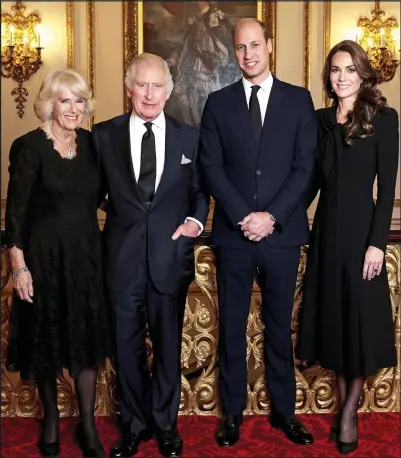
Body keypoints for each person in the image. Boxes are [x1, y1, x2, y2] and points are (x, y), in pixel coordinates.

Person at [199, 18, 317, 448]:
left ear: (269, 45)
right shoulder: (218, 102)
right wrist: (242, 216)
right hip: (234, 236)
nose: (248, 54)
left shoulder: (298, 100)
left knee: (278, 328)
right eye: (240, 47)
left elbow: (306, 169)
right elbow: (210, 167)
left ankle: (284, 413)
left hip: (281, 236)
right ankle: (231, 414)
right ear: (234, 52)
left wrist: (271, 217)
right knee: (230, 327)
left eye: (254, 45)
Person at [92, 53, 209, 458]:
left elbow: (199, 193)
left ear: (170, 90)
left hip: (168, 260)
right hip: (121, 262)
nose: (149, 94)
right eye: (141, 85)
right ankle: (134, 426)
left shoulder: (188, 138)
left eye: (157, 85)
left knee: (167, 350)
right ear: (129, 89)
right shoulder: (102, 135)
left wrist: (194, 222)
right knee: (126, 352)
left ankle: (165, 426)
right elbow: (87, 192)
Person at [296, 40, 399, 455]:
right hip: (326, 235)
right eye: (335, 70)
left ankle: (349, 413)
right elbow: (308, 183)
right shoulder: (320, 121)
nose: (341, 77)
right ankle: (344, 408)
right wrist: (276, 217)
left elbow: (386, 185)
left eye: (349, 70)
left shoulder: (384, 119)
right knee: (336, 326)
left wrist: (376, 244)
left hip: (362, 239)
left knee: (357, 325)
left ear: (362, 73)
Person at [5, 69, 109, 457]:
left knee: (85, 340)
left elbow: (101, 197)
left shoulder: (92, 145)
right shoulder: (29, 147)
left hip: (86, 258)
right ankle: (50, 419)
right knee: (46, 342)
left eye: (79, 100)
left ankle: (87, 424)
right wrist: (19, 266)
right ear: (49, 104)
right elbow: (15, 214)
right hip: (43, 260)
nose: (73, 108)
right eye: (64, 100)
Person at [167, 1, 240, 126]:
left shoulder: (217, 16)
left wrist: (211, 53)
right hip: (192, 63)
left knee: (207, 98)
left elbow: (226, 41)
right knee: (187, 96)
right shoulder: (194, 19)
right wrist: (174, 58)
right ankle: (194, 127)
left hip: (211, 63)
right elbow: (185, 43)